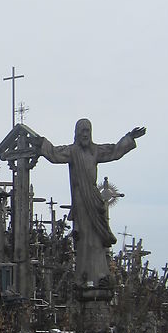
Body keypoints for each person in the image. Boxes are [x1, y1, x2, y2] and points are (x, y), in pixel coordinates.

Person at [35, 119, 146, 285]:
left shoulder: (96, 150)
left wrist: (129, 138)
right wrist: (40, 142)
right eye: (82, 131)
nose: (85, 134)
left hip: (93, 198)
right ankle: (84, 274)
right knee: (85, 237)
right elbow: (54, 154)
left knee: (97, 239)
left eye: (88, 131)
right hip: (81, 200)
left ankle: (99, 273)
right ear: (77, 133)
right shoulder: (72, 151)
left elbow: (114, 151)